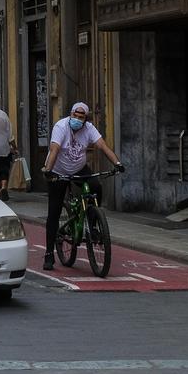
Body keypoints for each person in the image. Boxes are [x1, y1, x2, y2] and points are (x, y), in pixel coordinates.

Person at [40, 103, 124, 271]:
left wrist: (117, 163)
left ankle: (92, 224)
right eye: (75, 116)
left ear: (86, 120)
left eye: (81, 117)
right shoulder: (61, 127)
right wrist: (48, 171)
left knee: (96, 187)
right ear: (70, 114)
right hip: (58, 170)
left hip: (79, 168)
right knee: (54, 212)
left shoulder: (89, 129)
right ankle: (49, 254)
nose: (77, 119)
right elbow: (54, 149)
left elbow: (103, 146)